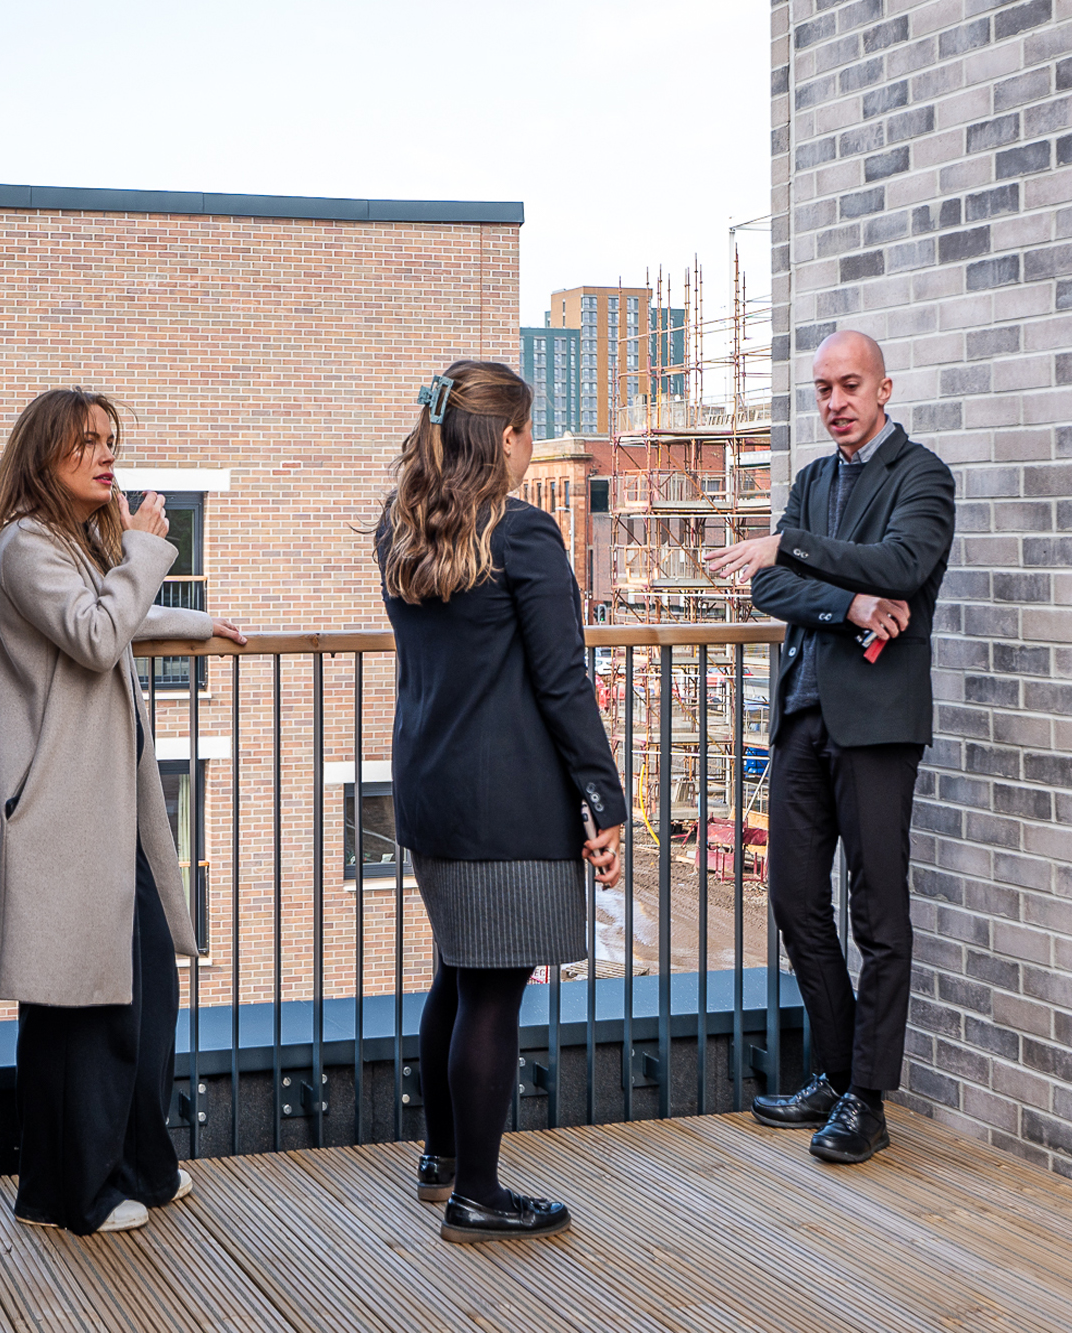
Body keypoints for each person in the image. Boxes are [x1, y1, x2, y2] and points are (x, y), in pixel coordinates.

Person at [0, 387, 246, 1234]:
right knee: (78, 1009)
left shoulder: (67, 543)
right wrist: (142, 547)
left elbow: (116, 615)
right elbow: (97, 634)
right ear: (42, 457)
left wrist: (198, 623)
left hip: (105, 805)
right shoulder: (26, 545)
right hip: (63, 807)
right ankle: (72, 1196)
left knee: (142, 991)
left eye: (109, 440)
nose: (106, 455)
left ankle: (141, 1165)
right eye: (85, 443)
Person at [377, 360, 626, 1243]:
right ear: (508, 439)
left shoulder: (402, 529)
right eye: (525, 432)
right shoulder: (520, 533)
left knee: (457, 970)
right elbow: (563, 683)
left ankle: (444, 1157)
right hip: (508, 801)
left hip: (431, 788)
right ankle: (478, 1195)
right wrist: (606, 798)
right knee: (492, 993)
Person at [705, 331, 954, 1165]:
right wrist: (851, 606)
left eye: (850, 386)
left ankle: (869, 1099)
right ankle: (837, 1069)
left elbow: (903, 561)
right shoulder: (812, 480)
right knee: (795, 899)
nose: (835, 403)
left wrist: (793, 549)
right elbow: (772, 585)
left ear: (885, 388)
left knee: (878, 913)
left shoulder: (922, 476)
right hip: (804, 718)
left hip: (879, 725)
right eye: (822, 390)